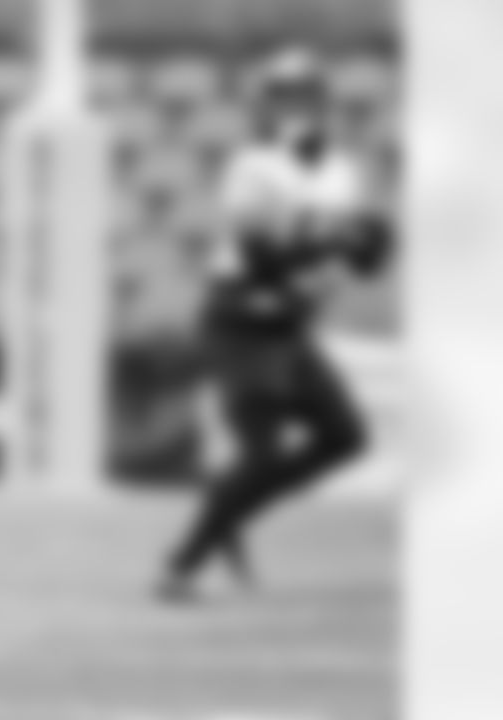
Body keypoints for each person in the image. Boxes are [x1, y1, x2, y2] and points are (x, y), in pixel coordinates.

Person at [158, 48, 394, 602]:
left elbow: (361, 255)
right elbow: (259, 251)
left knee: (345, 437)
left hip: (290, 325)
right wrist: (333, 240)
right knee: (262, 455)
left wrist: (364, 247)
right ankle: (182, 565)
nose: (294, 107)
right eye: (283, 96)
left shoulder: (340, 170)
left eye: (303, 95)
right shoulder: (252, 166)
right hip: (242, 319)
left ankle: (230, 506)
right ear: (265, 104)